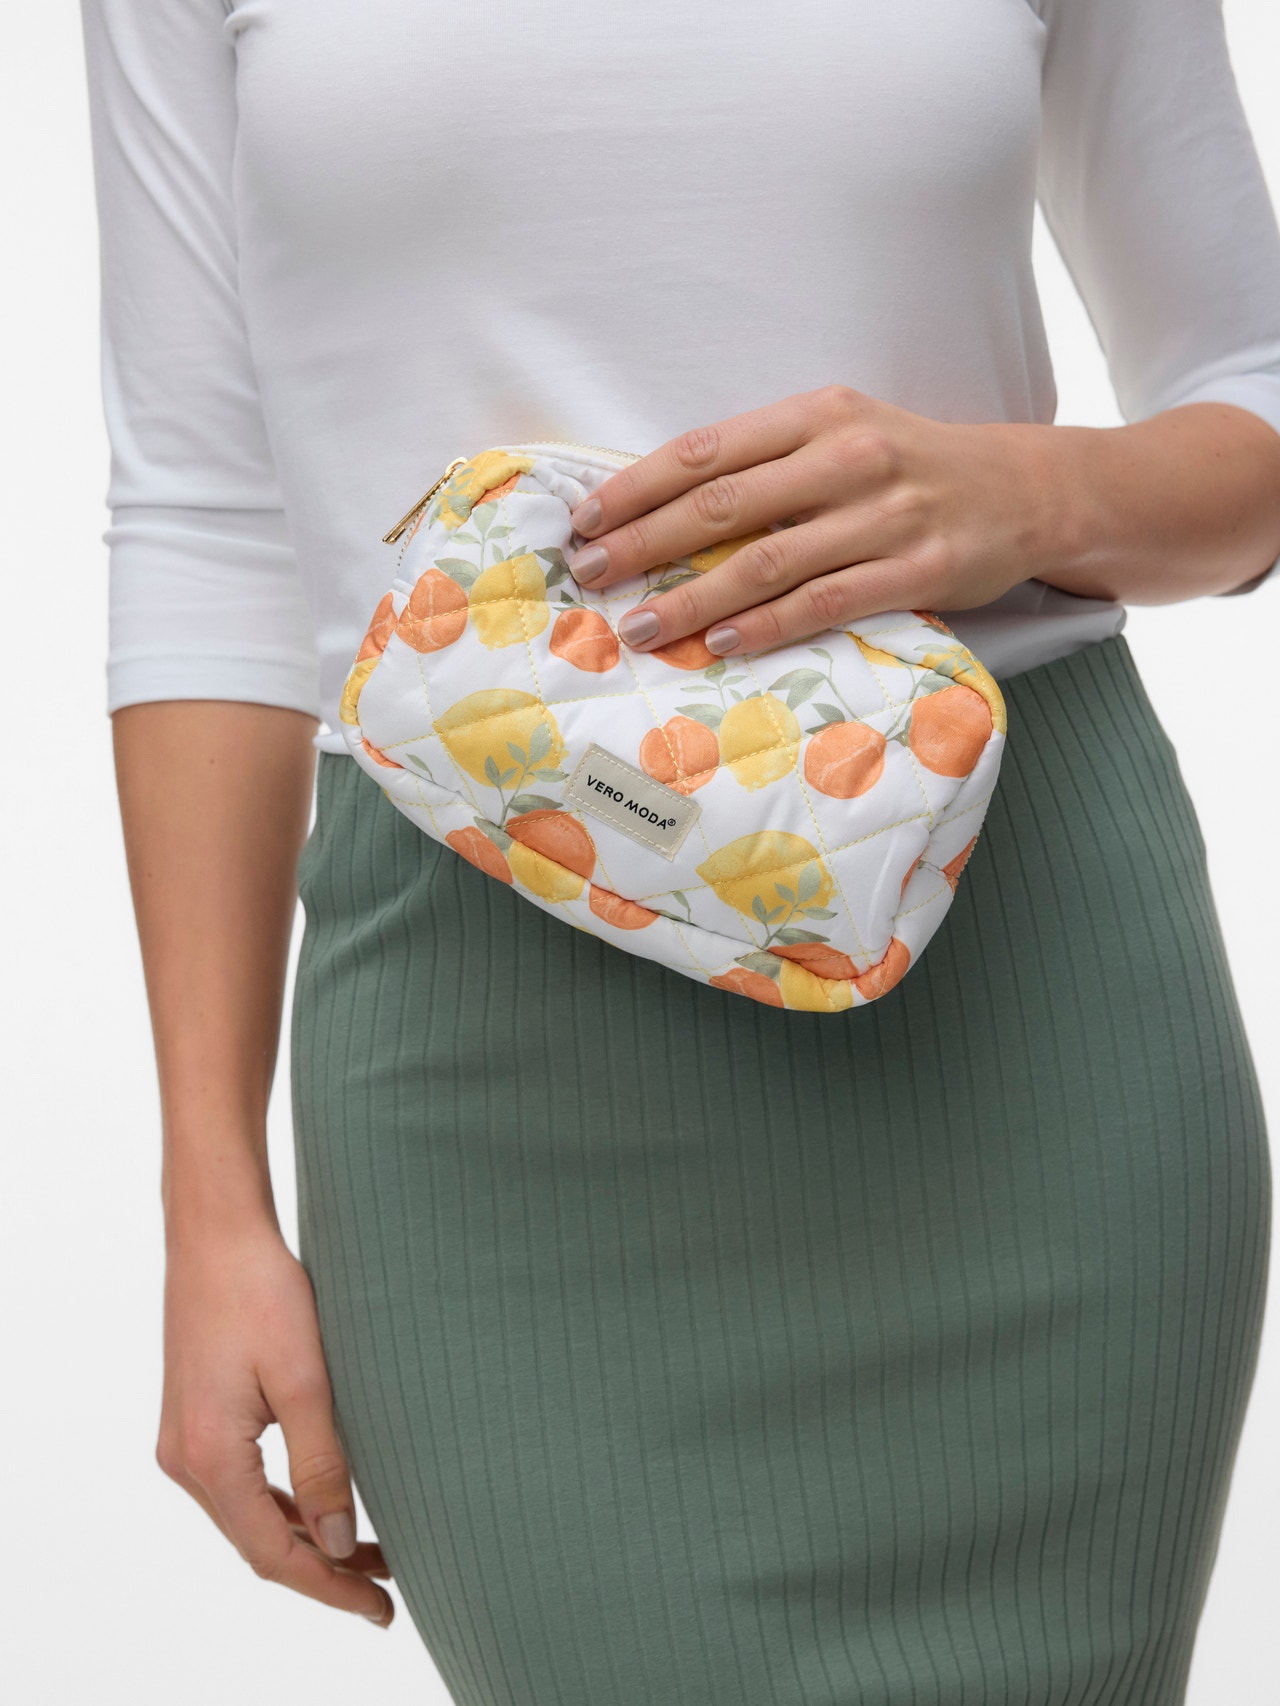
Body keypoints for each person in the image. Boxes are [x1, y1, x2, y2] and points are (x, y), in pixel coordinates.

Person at [82, 0, 1279, 1698]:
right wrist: (210, 1203)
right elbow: (203, 520)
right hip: (491, 1081)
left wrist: (1032, 494)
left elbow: (1250, 401)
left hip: (1030, 1031)